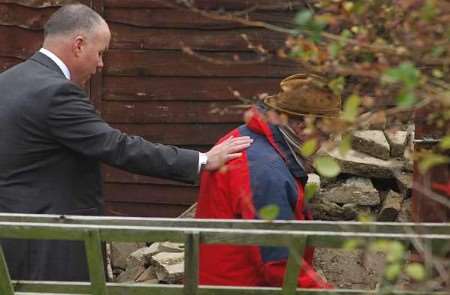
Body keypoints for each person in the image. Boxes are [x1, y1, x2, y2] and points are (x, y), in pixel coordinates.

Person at [0, 4, 252, 281]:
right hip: (52, 247)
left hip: (14, 237)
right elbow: (116, 146)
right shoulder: (55, 92)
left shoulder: (8, 81)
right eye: (100, 53)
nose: (100, 64)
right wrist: (202, 160)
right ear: (79, 45)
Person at [195, 73, 340, 288]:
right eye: (325, 135)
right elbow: (278, 263)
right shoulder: (266, 170)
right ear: (303, 127)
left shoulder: (248, 138)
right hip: (241, 286)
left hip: (222, 279)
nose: (325, 143)